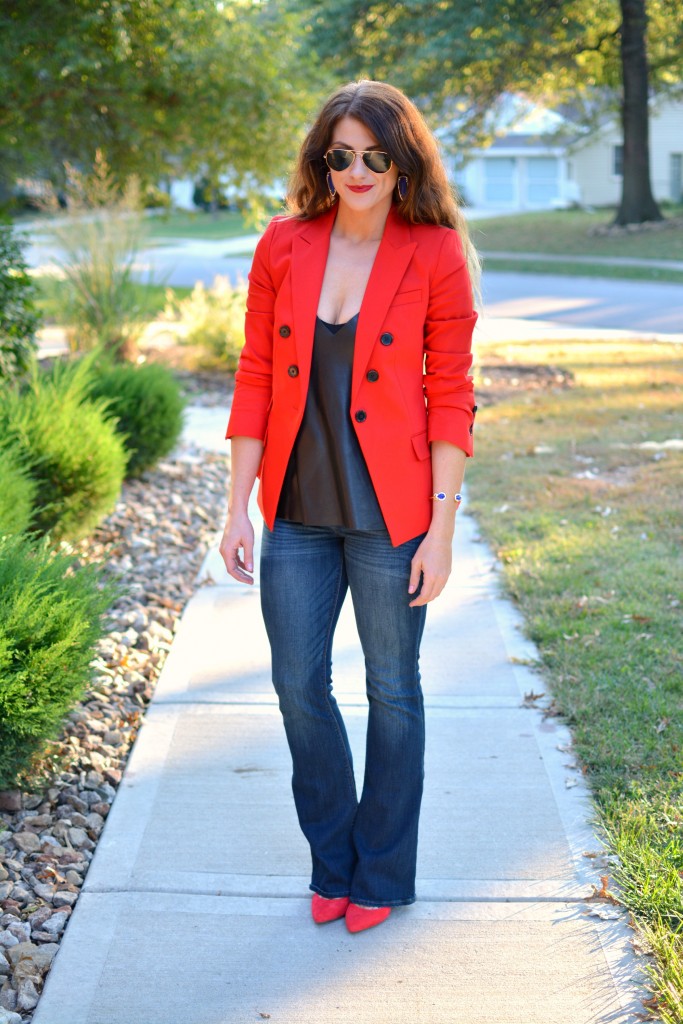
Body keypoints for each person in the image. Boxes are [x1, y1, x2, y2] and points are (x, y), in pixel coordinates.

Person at [219, 80, 479, 934]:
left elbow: (451, 396)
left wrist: (439, 532)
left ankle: (382, 874)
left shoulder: (434, 252)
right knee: (297, 686)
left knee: (392, 691)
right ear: (320, 159)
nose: (357, 170)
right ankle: (331, 862)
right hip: (294, 512)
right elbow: (255, 375)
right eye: (341, 156)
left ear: (401, 162)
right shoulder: (284, 244)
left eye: (375, 156)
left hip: (392, 519)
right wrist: (235, 510)